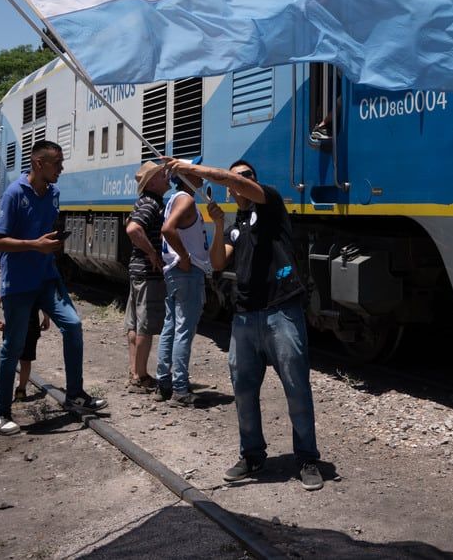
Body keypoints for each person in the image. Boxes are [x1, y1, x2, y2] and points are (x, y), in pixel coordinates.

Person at [163, 156, 324, 491]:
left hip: (282, 311)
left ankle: (307, 458)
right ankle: (252, 455)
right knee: (244, 391)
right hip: (245, 316)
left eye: (247, 176)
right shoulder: (237, 223)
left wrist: (191, 169)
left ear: (254, 180)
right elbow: (218, 262)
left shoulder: (272, 204)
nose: (241, 182)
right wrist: (219, 225)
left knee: (296, 388)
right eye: (238, 179)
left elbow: (227, 179)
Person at [0, 140, 106, 435]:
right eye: (58, 163)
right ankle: (1, 413)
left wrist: (54, 243)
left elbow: (44, 230)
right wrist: (34, 245)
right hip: (18, 281)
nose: (62, 169)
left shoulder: (53, 193)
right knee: (13, 347)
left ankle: (75, 394)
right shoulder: (14, 194)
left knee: (73, 325)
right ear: (39, 164)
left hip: (46, 277)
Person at [155, 170, 212, 405]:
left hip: (177, 272)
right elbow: (167, 229)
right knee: (184, 329)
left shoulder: (174, 199)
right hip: (187, 273)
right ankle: (180, 388)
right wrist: (185, 257)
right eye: (196, 174)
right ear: (188, 178)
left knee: (170, 326)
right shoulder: (186, 199)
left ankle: (163, 382)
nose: (202, 177)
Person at [125, 161, 170, 390]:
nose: (167, 177)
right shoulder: (151, 203)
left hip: (137, 270)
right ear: (152, 182)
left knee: (134, 323)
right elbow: (133, 229)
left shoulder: (145, 202)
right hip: (147, 272)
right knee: (146, 325)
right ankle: (141, 376)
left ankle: (134, 371)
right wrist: (152, 253)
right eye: (163, 175)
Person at [0, 295, 51, 401]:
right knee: (26, 361)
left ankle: (3, 390)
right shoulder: (35, 286)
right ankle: (21, 391)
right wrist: (46, 318)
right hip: (31, 329)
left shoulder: (11, 284)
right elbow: (43, 301)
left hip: (12, 329)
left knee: (8, 360)